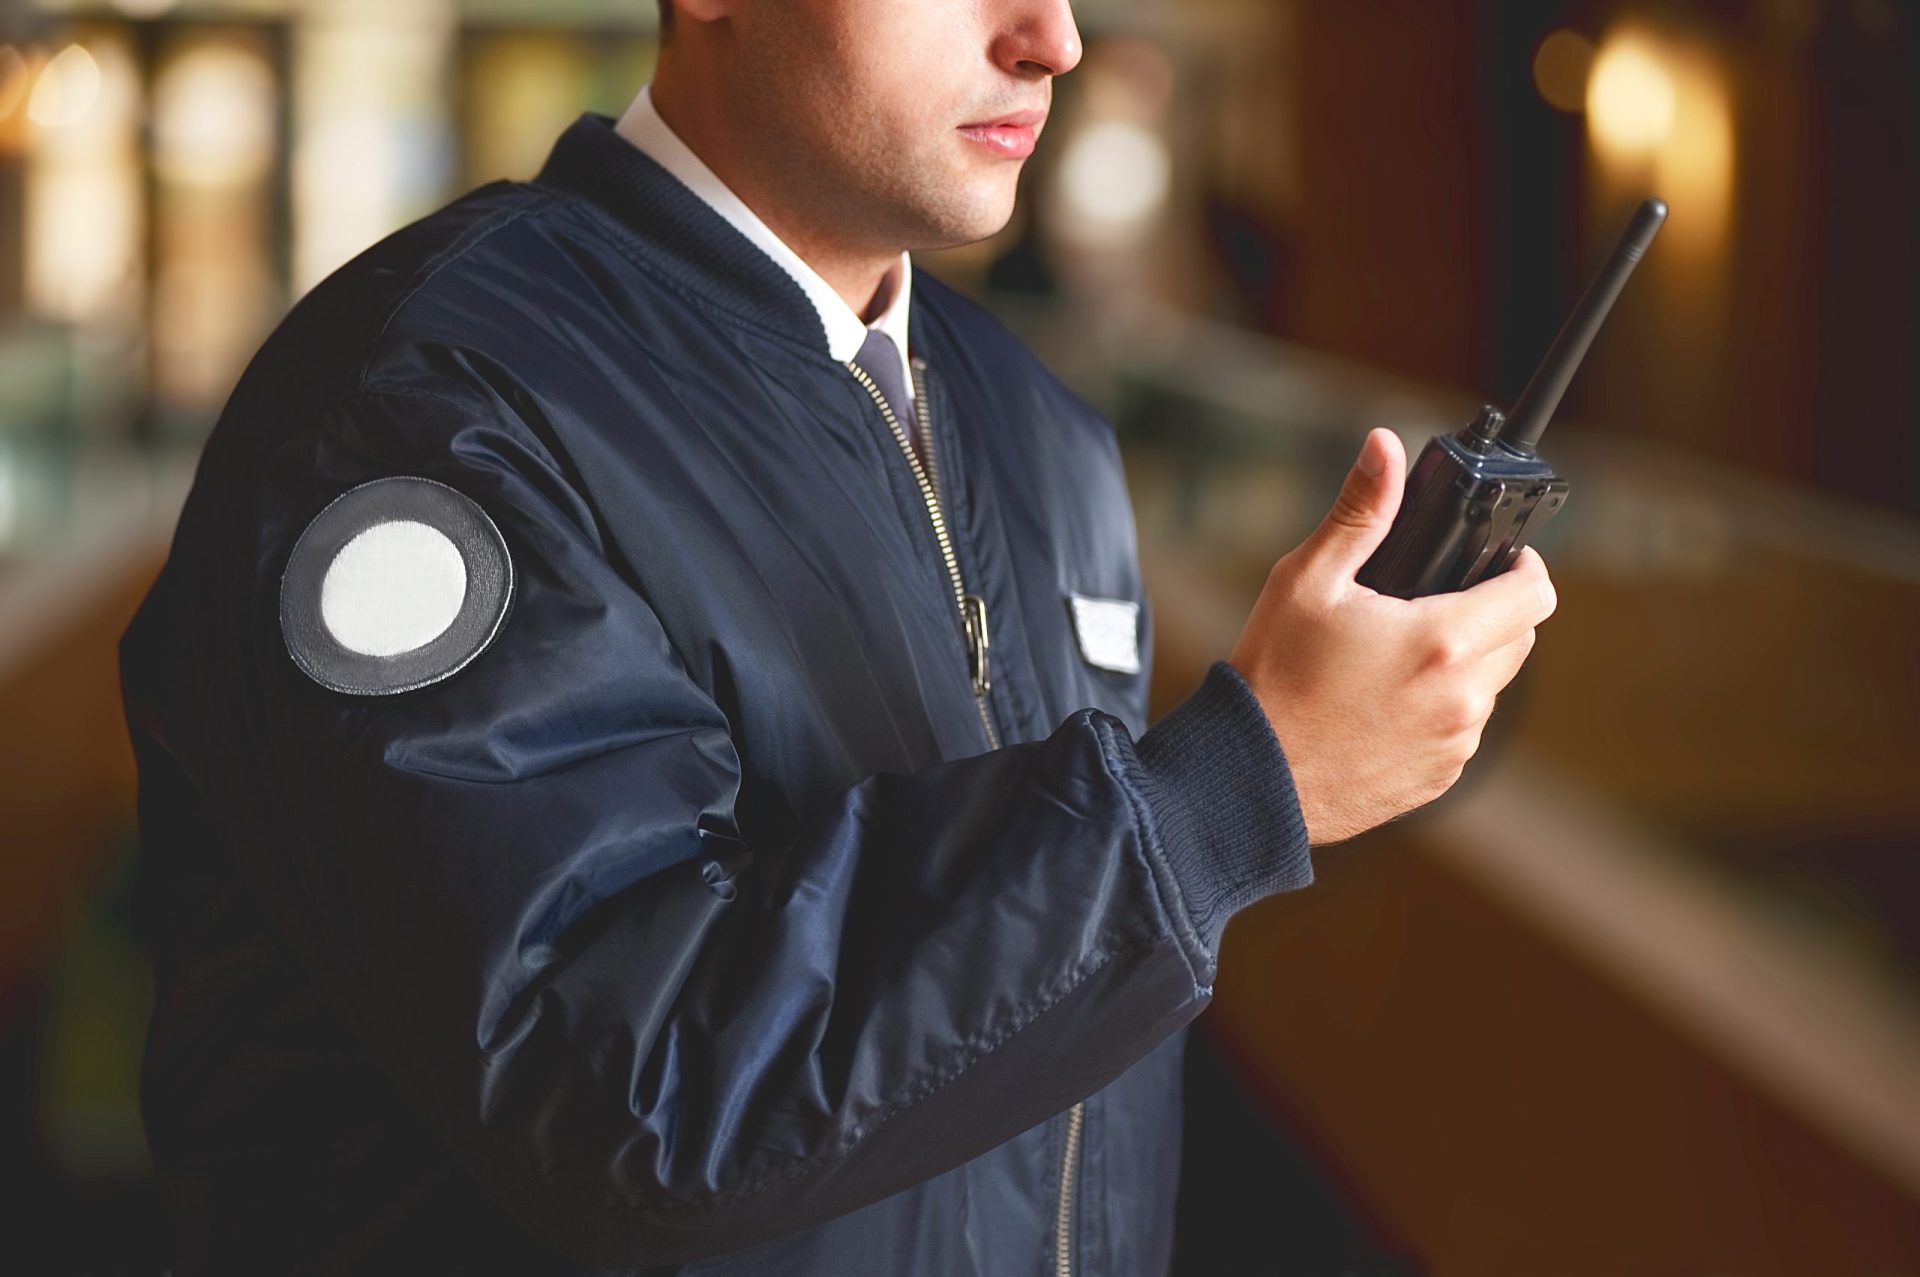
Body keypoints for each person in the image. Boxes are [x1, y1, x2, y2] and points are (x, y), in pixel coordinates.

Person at [118, 0, 1555, 1271]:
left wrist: (1334, 742)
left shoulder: (1035, 426)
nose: (1048, 37)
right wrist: (1241, 791)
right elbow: (627, 1092)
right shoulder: (420, 403)